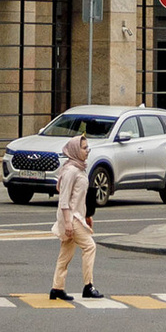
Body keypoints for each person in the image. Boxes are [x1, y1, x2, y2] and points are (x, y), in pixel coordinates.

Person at [49, 122, 103, 302]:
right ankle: (88, 286)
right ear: (75, 150)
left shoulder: (79, 168)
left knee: (66, 252)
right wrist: (69, 223)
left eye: (88, 147)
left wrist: (87, 216)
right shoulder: (71, 171)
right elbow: (64, 200)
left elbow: (81, 197)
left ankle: (57, 288)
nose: (88, 151)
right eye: (84, 148)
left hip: (77, 217)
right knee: (90, 246)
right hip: (71, 217)